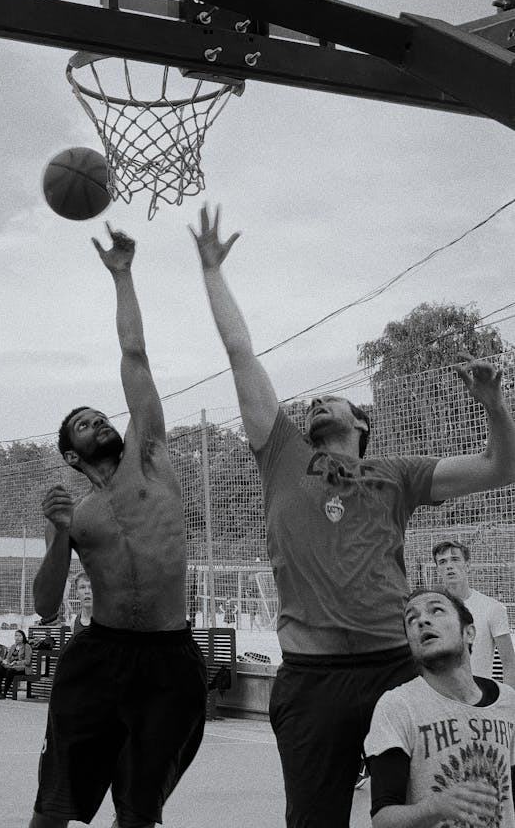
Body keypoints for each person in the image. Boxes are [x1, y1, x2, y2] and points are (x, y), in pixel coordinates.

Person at [190, 203, 515, 828]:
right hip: (312, 679)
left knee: (430, 812)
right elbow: (239, 352)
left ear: (360, 424)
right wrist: (211, 269)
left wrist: (495, 404)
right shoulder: (282, 453)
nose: (315, 401)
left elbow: (500, 468)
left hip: (396, 665)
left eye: (331, 399)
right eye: (312, 399)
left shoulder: (396, 474)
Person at [29, 224, 207, 828]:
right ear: (71, 456)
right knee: (54, 805)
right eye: (83, 423)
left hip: (169, 656)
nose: (98, 420)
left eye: (99, 414)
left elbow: (135, 354)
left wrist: (122, 273)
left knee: (139, 814)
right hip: (99, 655)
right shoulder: (76, 514)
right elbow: (45, 608)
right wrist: (55, 537)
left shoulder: (150, 455)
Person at [365, 587, 515, 827]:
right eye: (411, 619)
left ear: (469, 632)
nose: (422, 620)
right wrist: (434, 807)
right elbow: (382, 820)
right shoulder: (397, 706)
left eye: (437, 610)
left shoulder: (507, 702)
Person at [433, 538, 515, 688]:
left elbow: (509, 663)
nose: (449, 566)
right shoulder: (430, 611)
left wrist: (507, 704)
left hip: (479, 700)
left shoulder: (492, 608)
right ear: (438, 569)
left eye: (455, 559)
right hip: (440, 699)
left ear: (468, 565)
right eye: (443, 562)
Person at [0, 629, 33, 698]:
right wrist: (6, 661)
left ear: (23, 637)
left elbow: (28, 661)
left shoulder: (27, 647)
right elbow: (8, 658)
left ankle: (4, 692)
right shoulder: (13, 646)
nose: (17, 637)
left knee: (10, 671)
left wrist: (17, 662)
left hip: (23, 669)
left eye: (20, 636)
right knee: (0, 669)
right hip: (12, 667)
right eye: (16, 635)